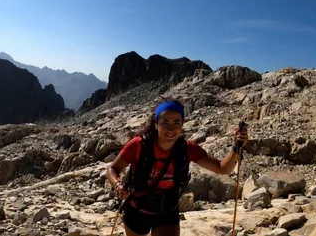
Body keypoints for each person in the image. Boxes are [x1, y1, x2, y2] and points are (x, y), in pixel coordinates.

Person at [106, 99, 249, 236]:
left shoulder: (187, 148)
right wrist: (117, 185)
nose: (171, 128)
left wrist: (236, 147)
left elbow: (222, 169)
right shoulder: (138, 145)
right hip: (137, 210)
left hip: (167, 212)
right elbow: (112, 169)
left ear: (182, 124)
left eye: (176, 122)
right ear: (156, 123)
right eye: (165, 122)